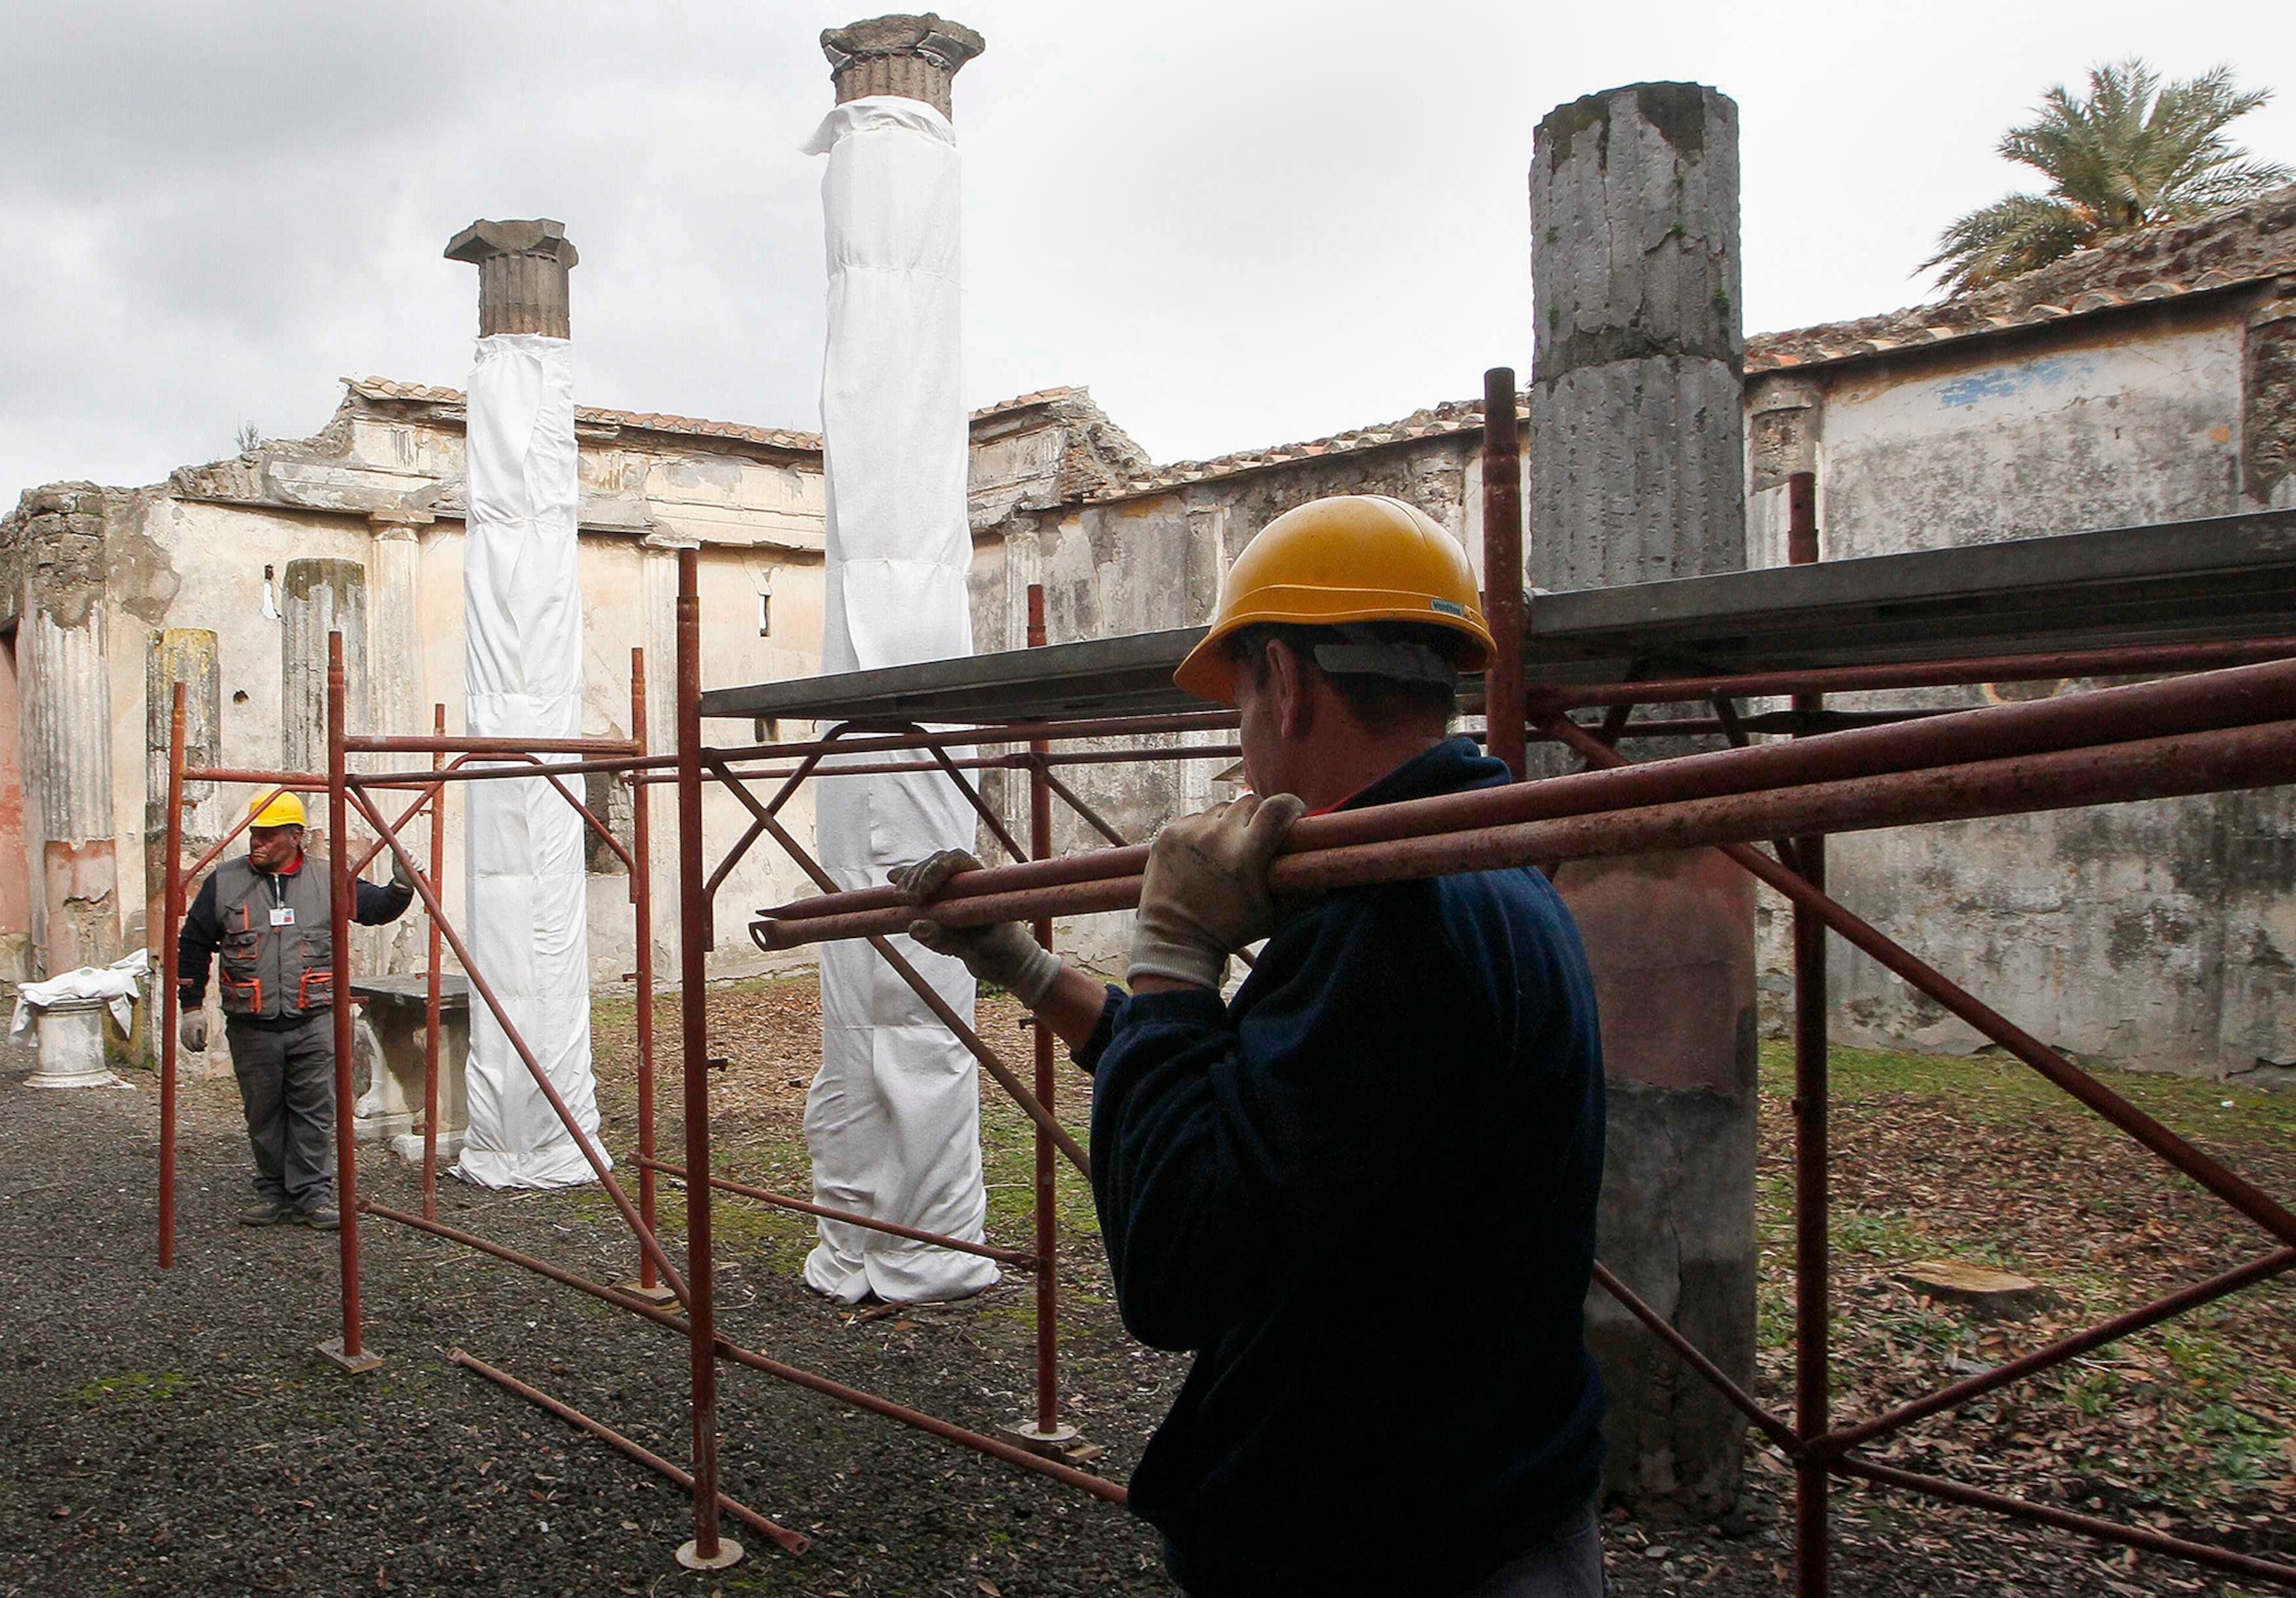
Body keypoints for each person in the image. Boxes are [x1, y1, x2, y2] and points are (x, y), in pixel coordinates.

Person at [893, 495, 1609, 1597]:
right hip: (1485, 1504)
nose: (1242, 741)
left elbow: (1178, 1263)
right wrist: (1032, 971)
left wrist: (1173, 951)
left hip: (1383, 1549)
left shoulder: (1393, 913)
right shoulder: (1483, 866)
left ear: (1285, 678)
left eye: (1240, 702)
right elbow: (1268, 1102)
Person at [177, 792, 416, 1230]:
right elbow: (193, 944)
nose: (257, 843)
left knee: (314, 1109)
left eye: (268, 835)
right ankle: (274, 1191)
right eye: (254, 834)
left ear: (296, 836)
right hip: (252, 1024)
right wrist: (191, 1007)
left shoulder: (327, 879)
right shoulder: (224, 882)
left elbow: (376, 910)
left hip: (314, 1020)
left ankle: (312, 1194)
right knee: (263, 1111)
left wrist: (402, 886)